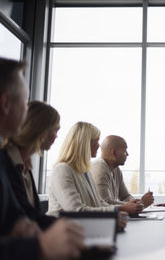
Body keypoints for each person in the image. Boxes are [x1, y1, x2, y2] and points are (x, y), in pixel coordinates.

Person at [0, 57, 84, 260]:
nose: (27, 111)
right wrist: (37, 246)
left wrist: (22, 225)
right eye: (25, 103)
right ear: (5, 103)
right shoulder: (7, 161)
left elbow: (22, 215)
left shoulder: (16, 164)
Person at [47, 122, 143, 226]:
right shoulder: (62, 170)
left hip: (84, 229)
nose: (99, 145)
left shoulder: (85, 171)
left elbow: (98, 203)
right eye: (96, 141)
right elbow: (76, 210)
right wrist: (119, 209)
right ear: (86, 143)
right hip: (62, 233)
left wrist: (121, 209)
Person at [2, 101, 59, 230]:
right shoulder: (6, 162)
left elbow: (33, 215)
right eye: (55, 130)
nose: (56, 136)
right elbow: (24, 216)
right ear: (43, 130)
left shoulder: (25, 164)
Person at [91, 135, 154, 207]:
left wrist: (138, 203)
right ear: (113, 153)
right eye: (124, 150)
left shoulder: (116, 169)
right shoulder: (100, 170)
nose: (127, 154)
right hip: (100, 218)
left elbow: (125, 196)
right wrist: (141, 203)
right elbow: (106, 204)